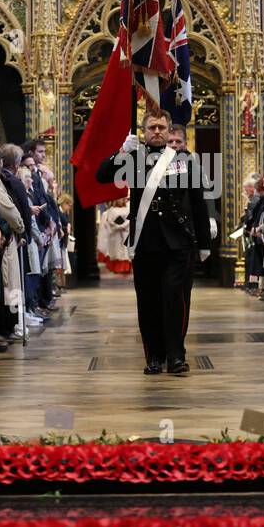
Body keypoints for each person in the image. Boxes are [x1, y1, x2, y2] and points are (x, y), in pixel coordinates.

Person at [96, 109, 210, 375]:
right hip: (145, 240)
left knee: (175, 298)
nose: (157, 132)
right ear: (143, 132)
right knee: (147, 302)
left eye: (162, 127)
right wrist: (121, 152)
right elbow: (102, 175)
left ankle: (176, 356)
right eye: (152, 128)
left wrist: (204, 242)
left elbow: (197, 203)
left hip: (178, 241)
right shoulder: (133, 158)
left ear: (170, 131)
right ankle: (154, 357)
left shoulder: (185, 160)